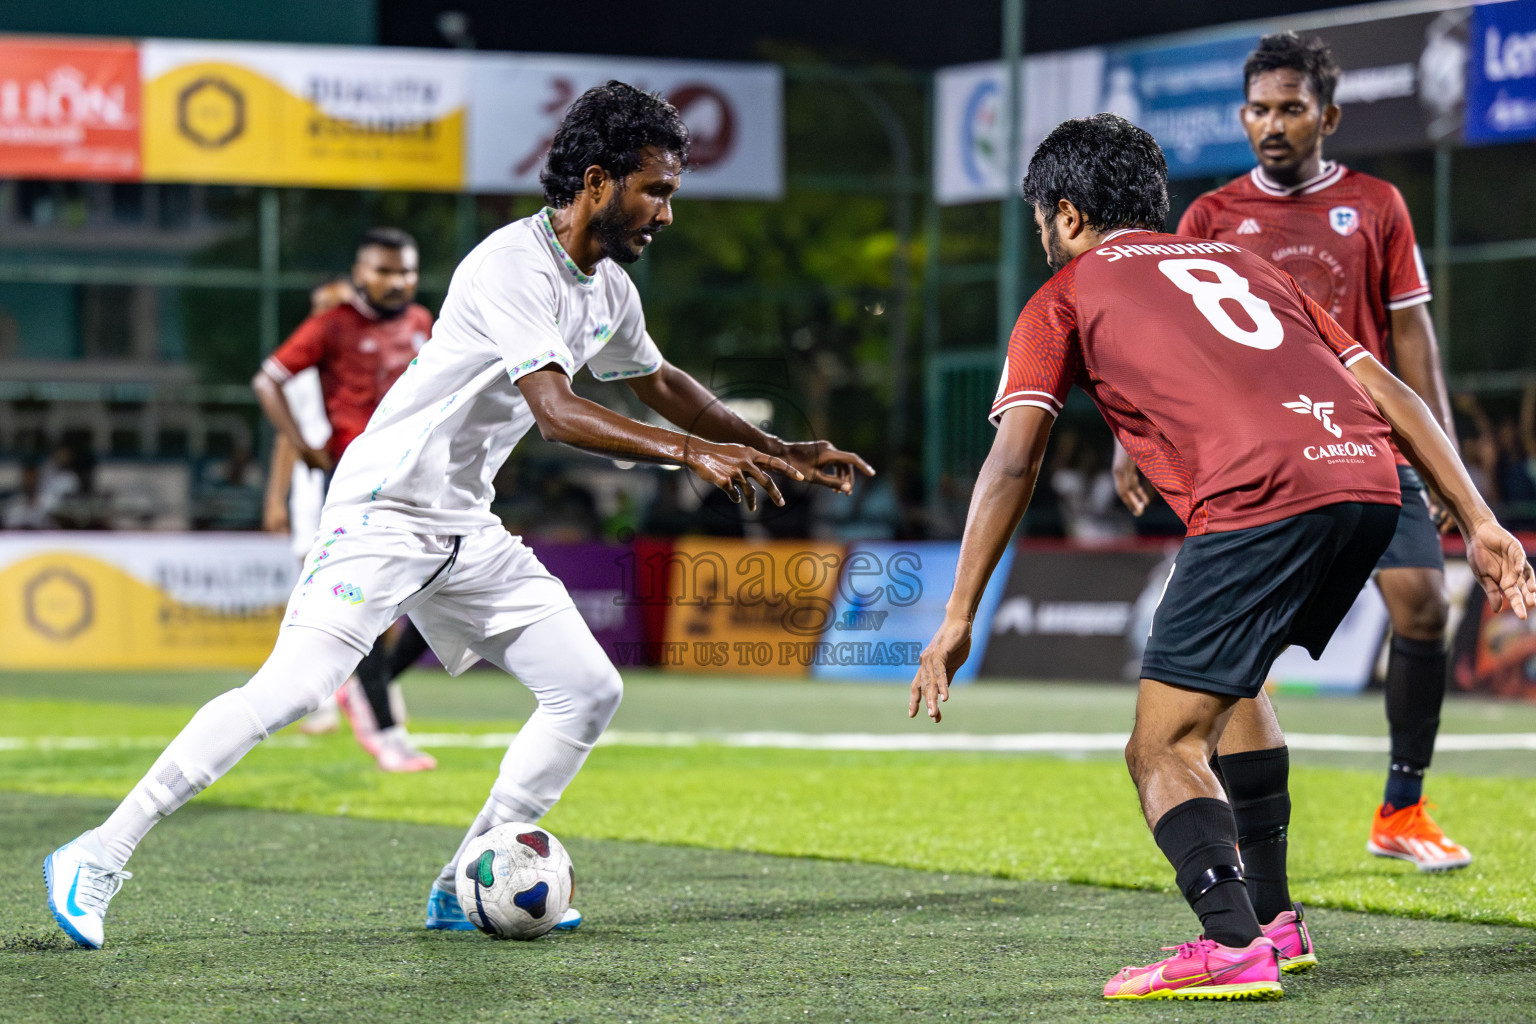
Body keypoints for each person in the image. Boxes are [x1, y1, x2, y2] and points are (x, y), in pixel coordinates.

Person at [45, 80, 873, 951]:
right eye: (656, 190)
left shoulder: (607, 289)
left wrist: (782, 451)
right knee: (291, 689)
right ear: (598, 180)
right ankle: (97, 853)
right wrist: (686, 453)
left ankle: (462, 879)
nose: (667, 213)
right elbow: (556, 410)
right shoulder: (510, 264)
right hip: (382, 508)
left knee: (588, 690)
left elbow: (662, 384)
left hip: (460, 527)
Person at [909, 113, 1533, 1001]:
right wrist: (1478, 516)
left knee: (1159, 746)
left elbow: (1016, 457)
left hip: (1258, 501)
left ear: (1069, 213)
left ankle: (1230, 941)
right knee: (1235, 685)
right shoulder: (1249, 264)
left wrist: (959, 613)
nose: (1043, 238)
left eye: (1042, 220)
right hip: (1368, 485)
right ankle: (1276, 923)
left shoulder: (1066, 296)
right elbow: (1384, 384)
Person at [1113, 33, 1471, 870]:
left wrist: (1442, 456)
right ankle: (1254, 848)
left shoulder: (1376, 206)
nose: (1273, 125)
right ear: (1242, 115)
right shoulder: (1209, 217)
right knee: (1242, 660)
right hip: (1256, 462)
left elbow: (1412, 340)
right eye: (1259, 110)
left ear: (1328, 116)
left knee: (1424, 604)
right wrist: (1135, 436)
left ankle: (1403, 809)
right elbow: (1159, 344)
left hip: (1366, 440)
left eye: (1291, 109)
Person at [253, 238, 437, 772]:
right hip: (346, 489)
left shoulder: (421, 322)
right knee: (356, 613)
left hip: (421, 481)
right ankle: (380, 721)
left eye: (406, 270)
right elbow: (282, 411)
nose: (396, 281)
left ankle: (362, 686)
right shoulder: (328, 336)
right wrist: (280, 492)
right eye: (383, 271)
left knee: (430, 602)